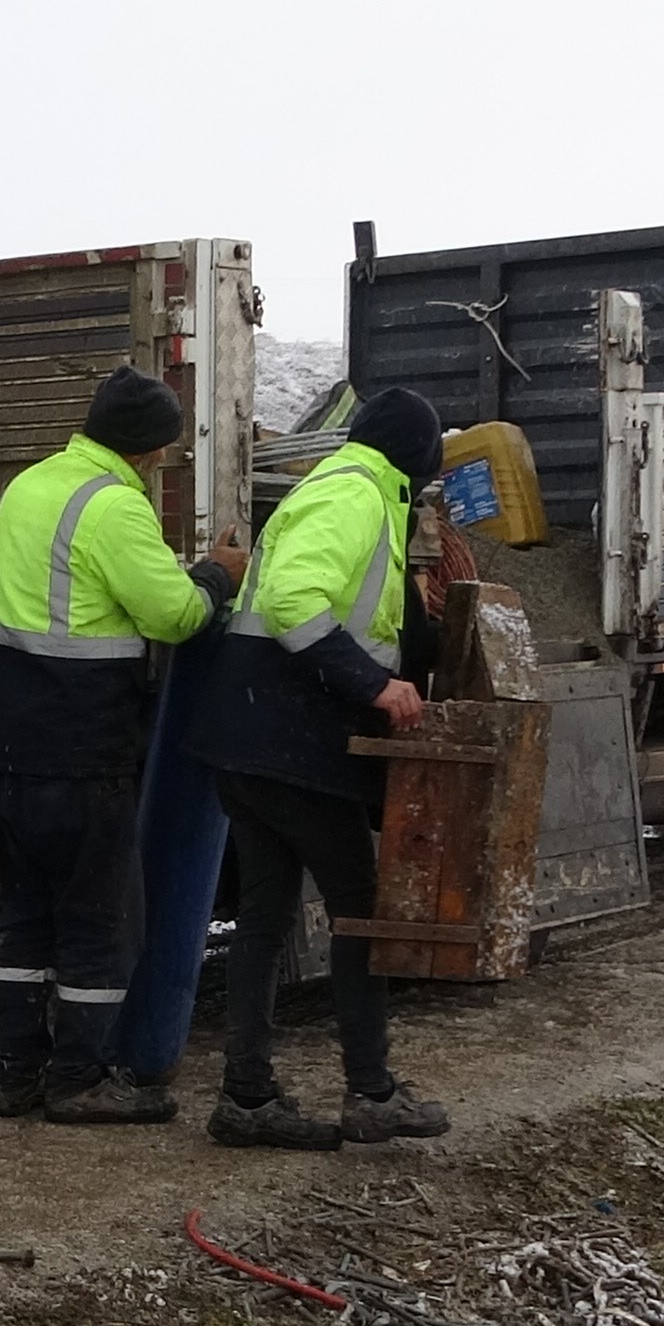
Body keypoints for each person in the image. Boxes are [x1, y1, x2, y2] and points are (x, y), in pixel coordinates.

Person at [180, 387, 456, 1149]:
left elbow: (354, 612)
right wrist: (375, 685)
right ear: (418, 455)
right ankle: (370, 1092)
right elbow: (301, 599)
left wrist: (422, 641)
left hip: (247, 734)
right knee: (358, 911)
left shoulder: (338, 485)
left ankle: (247, 1096)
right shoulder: (360, 494)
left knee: (264, 918)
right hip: (295, 742)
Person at [0, 368, 244, 1123]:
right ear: (152, 450)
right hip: (79, 747)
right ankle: (80, 1080)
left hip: (2, 744)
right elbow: (175, 616)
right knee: (97, 920)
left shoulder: (28, 486)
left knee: (25, 917)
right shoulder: (114, 506)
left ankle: (13, 1074)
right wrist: (217, 577)